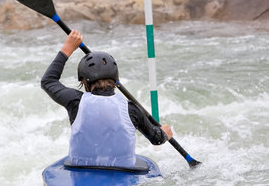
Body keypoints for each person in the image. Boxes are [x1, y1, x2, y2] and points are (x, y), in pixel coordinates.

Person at [41, 30, 173, 168]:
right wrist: (164, 133)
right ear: (116, 80)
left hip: (81, 169)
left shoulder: (76, 102)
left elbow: (48, 81)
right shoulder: (131, 109)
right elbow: (156, 140)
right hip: (123, 172)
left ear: (84, 83)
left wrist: (67, 49)